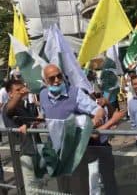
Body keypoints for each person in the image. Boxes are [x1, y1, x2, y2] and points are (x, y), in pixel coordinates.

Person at [39, 64, 105, 194]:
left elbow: (99, 110)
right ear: (45, 82)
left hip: (75, 153)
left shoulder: (75, 93)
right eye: (52, 78)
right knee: (64, 189)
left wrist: (91, 123)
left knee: (79, 188)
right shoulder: (42, 95)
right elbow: (44, 114)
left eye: (59, 76)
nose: (57, 80)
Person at [2, 79, 43, 194]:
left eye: (22, 88)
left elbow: (32, 121)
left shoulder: (23, 106)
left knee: (38, 184)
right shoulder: (8, 106)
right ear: (10, 94)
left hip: (34, 148)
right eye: (17, 90)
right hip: (24, 151)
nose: (22, 91)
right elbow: (9, 109)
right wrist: (20, 94)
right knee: (31, 188)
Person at [88, 92, 125, 195]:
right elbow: (94, 134)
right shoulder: (84, 112)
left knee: (109, 178)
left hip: (105, 147)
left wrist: (108, 104)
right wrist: (113, 121)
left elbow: (112, 115)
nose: (94, 98)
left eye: (94, 95)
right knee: (93, 182)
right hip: (91, 151)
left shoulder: (99, 107)